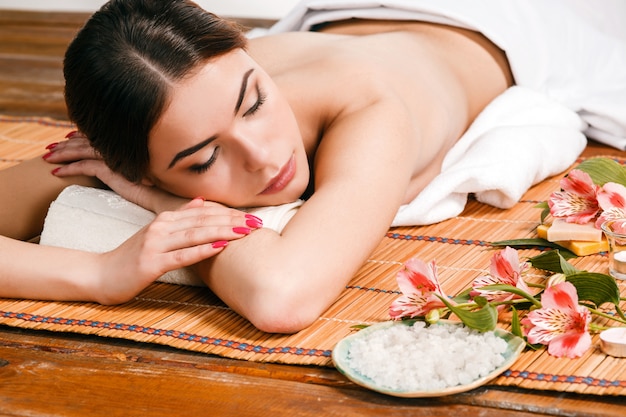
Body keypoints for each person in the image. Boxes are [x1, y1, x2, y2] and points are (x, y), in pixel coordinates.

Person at [1, 0, 524, 333]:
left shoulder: (370, 108)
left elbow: (282, 298)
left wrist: (169, 201)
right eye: (206, 158)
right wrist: (99, 273)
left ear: (248, 54)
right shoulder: (157, 118)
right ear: (135, 169)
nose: (265, 156)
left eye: (255, 102)